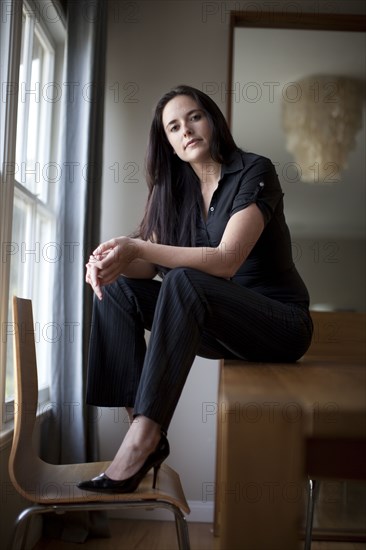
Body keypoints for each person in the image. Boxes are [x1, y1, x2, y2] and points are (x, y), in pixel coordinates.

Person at [78, 84, 313, 493]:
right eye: (173, 127)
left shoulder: (254, 171)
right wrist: (111, 259)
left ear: (213, 122)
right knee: (117, 289)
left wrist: (136, 244)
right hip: (217, 325)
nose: (185, 130)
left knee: (186, 279)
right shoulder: (172, 194)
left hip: (280, 324)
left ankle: (143, 439)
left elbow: (226, 260)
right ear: (167, 143)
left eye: (194, 117)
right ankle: (143, 430)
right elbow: (146, 265)